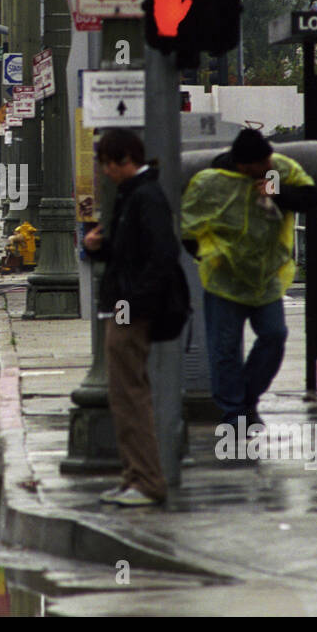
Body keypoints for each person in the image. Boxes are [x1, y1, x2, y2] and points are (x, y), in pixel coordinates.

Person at [181, 128, 317, 431]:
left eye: (269, 159)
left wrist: (278, 192)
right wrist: (209, 256)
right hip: (224, 281)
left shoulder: (278, 169)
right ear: (244, 166)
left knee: (274, 335)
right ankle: (234, 415)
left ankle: (246, 399)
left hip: (266, 276)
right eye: (261, 163)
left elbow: (312, 197)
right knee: (224, 350)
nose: (269, 166)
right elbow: (188, 228)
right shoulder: (213, 181)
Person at [82, 129, 183, 507]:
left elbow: (161, 256)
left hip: (129, 312)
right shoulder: (135, 196)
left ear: (123, 160)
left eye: (108, 164)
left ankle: (146, 480)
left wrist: (133, 303)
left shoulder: (145, 198)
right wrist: (99, 248)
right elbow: (130, 255)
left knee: (130, 397)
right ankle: (134, 475)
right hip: (125, 308)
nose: (105, 172)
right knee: (124, 396)